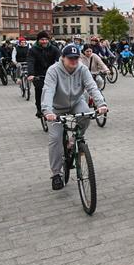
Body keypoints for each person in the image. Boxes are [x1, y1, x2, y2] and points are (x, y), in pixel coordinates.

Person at [41, 44, 108, 190]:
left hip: (76, 102)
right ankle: (56, 174)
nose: (74, 61)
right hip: (56, 108)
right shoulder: (53, 71)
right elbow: (48, 90)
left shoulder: (82, 68)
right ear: (63, 58)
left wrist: (101, 104)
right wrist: (47, 111)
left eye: (76, 58)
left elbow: (92, 87)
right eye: (70, 58)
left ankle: (74, 141)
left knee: (86, 115)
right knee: (55, 139)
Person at [27, 31, 61, 118]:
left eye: (46, 39)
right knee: (39, 90)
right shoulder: (33, 50)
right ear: (38, 40)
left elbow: (60, 60)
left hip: (52, 74)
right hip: (38, 74)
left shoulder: (53, 49)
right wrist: (31, 74)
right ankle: (39, 108)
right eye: (42, 39)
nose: (44, 41)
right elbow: (30, 62)